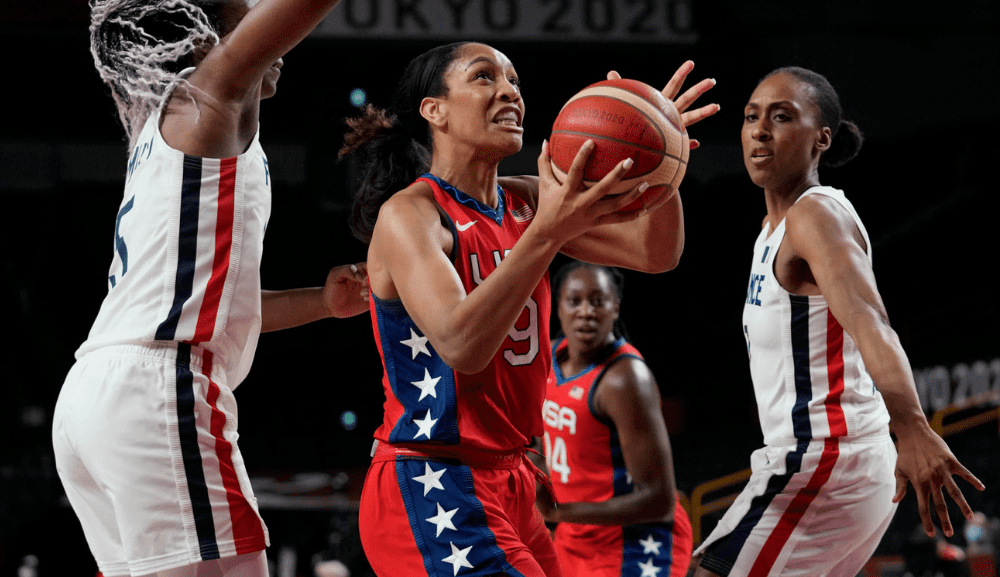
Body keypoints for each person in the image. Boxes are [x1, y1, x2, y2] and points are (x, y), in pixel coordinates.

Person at [51, 0, 398, 576]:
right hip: (157, 387)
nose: (276, 34)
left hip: (99, 395)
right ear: (210, 40)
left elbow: (204, 302)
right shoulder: (209, 99)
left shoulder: (163, 135)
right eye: (255, 16)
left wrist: (320, 303)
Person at [339, 42, 717, 576]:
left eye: (514, 80)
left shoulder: (526, 200)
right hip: (431, 480)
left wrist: (660, 155)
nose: (509, 91)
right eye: (484, 77)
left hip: (513, 477)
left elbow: (656, 253)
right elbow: (462, 345)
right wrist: (547, 232)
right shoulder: (411, 214)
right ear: (435, 110)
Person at [691, 67, 985, 577]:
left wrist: (912, 426)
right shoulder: (772, 230)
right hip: (828, 460)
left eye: (782, 118)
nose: (760, 131)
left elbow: (871, 320)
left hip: (827, 459)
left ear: (821, 138)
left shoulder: (815, 216)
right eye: (751, 117)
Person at [536, 261, 692, 577]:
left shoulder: (624, 379)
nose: (586, 312)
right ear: (558, 307)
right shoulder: (547, 359)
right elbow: (539, 444)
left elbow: (659, 501)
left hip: (634, 539)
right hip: (575, 534)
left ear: (615, 308)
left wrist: (557, 512)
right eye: (574, 301)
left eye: (598, 301)